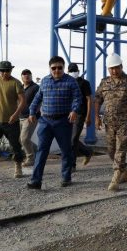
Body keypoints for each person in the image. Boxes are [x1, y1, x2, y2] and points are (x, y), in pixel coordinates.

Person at [26, 56, 82, 189]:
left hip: (63, 121)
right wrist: (32, 112)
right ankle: (36, 180)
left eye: (59, 68)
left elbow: (77, 98)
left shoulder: (71, 81)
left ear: (63, 68)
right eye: (54, 68)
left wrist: (74, 110)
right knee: (41, 151)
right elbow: (37, 98)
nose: (56, 70)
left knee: (65, 150)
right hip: (45, 122)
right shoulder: (45, 81)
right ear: (50, 68)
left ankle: (66, 177)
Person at [94, 53, 127, 191]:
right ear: (108, 69)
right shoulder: (104, 82)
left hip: (125, 122)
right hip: (109, 123)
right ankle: (124, 172)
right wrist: (97, 117)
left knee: (120, 150)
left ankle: (115, 177)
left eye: (116, 68)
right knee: (111, 151)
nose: (114, 71)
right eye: (111, 68)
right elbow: (97, 100)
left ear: (121, 66)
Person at [67, 63, 93, 170]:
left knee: (73, 139)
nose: (73, 72)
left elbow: (89, 99)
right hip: (67, 114)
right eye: (71, 70)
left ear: (78, 71)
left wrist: (88, 116)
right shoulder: (66, 82)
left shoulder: (84, 83)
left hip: (80, 114)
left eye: (75, 70)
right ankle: (87, 151)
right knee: (70, 139)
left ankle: (72, 165)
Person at [19, 69, 40, 167]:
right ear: (21, 77)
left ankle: (30, 159)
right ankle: (38, 153)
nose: (26, 76)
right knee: (21, 139)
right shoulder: (20, 87)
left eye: (28, 74)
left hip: (30, 117)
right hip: (20, 117)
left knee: (24, 138)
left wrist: (33, 114)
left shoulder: (35, 87)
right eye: (24, 74)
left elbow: (39, 101)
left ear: (31, 76)